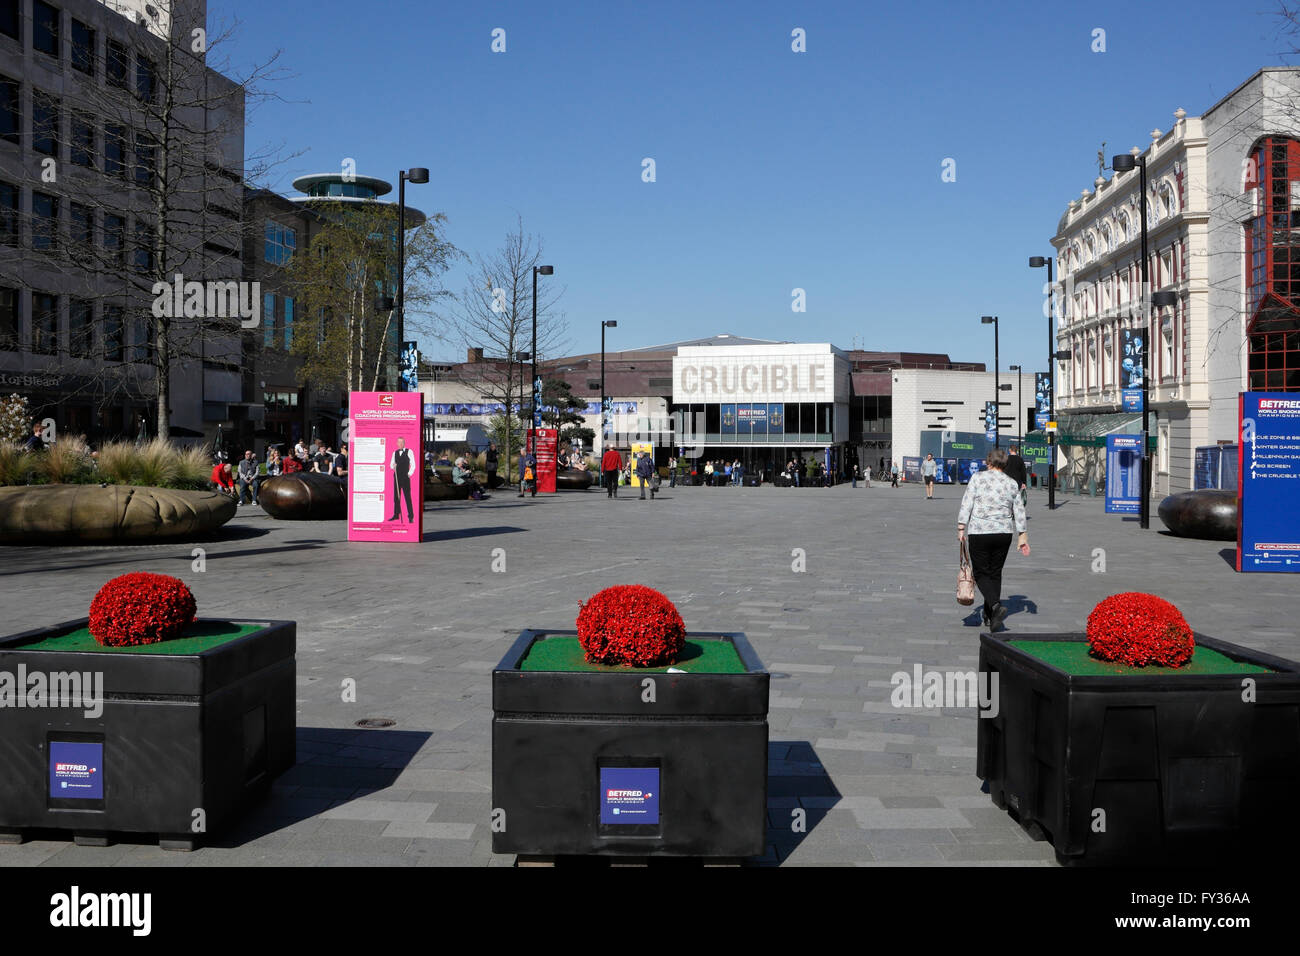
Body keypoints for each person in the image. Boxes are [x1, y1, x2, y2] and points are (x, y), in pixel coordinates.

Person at [958, 447, 1030, 631]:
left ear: (988, 462)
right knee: (995, 572)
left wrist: (961, 526)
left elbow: (968, 501)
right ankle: (991, 616)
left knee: (981, 573)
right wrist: (1022, 534)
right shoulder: (1011, 483)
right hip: (1003, 533)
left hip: (979, 531)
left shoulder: (978, 478)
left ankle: (996, 607)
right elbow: (1019, 509)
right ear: (1005, 464)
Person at [388, 437, 416, 522]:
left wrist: (409, 474)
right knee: (396, 497)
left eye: (401, 443)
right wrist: (393, 465)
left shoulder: (409, 451)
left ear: (404, 443)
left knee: (407, 496)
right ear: (396, 443)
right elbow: (391, 465)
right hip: (396, 476)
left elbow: (413, 464)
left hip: (405, 477)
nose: (400, 444)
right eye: (398, 443)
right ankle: (396, 514)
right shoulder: (394, 453)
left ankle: (410, 516)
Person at [1004, 445, 1029, 511]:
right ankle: (1014, 512)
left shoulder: (1006, 458)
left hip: (1007, 481)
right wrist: (1024, 482)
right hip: (1017, 482)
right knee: (1015, 497)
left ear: (1010, 450)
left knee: (1007, 497)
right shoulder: (1020, 459)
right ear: (1016, 451)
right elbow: (1023, 472)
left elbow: (1003, 470)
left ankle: (1008, 511)